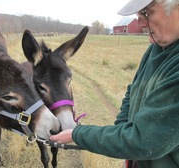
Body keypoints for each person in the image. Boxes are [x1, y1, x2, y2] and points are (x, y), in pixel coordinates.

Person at [50, 0, 179, 167]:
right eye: (138, 15)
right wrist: (122, 132)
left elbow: (144, 141)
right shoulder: (156, 49)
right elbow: (133, 92)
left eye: (147, 13)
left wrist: (78, 134)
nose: (140, 24)